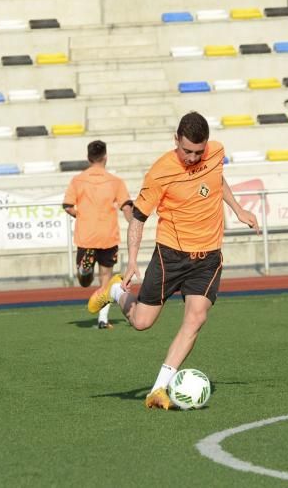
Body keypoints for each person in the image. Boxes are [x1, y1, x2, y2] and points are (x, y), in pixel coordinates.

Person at [87, 111, 259, 409]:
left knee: (196, 317)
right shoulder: (160, 173)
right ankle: (116, 291)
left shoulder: (215, 151)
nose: (193, 157)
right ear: (175, 140)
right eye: (187, 151)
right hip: (171, 256)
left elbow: (217, 178)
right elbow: (138, 219)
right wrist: (130, 264)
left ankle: (159, 389)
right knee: (142, 323)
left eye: (198, 151)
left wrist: (238, 209)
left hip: (208, 258)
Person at [63, 140, 134, 329]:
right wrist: (133, 223)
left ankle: (84, 269)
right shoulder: (115, 181)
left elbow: (68, 206)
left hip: (86, 235)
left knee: (85, 282)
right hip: (107, 235)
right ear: (105, 157)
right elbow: (126, 206)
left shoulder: (77, 180)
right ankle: (103, 319)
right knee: (106, 279)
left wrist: (81, 214)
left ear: (88, 158)